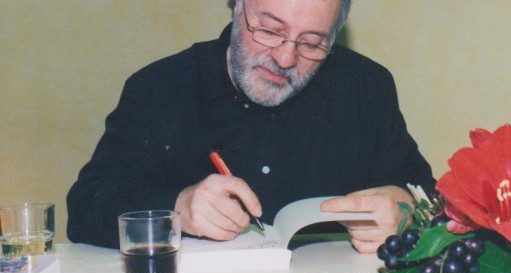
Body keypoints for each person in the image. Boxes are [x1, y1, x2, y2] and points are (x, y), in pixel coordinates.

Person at [66, 0, 436, 254]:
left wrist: (404, 210)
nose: (285, 58)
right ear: (237, 6)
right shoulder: (159, 87)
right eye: (270, 30)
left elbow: (430, 198)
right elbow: (86, 208)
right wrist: (177, 208)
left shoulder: (365, 86)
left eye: (312, 43)